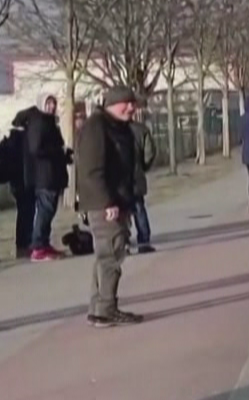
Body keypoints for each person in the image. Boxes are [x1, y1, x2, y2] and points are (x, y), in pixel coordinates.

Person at [73, 86, 145, 327]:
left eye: (133, 103)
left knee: (106, 255)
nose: (131, 108)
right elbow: (91, 171)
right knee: (111, 255)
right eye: (126, 103)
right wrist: (107, 202)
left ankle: (99, 307)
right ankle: (106, 310)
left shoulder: (117, 127)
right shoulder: (97, 127)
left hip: (118, 199)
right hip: (105, 204)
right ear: (111, 103)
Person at [24, 95, 71, 261]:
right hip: (45, 175)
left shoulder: (50, 122)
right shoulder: (39, 122)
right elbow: (36, 149)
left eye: (54, 103)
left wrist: (64, 155)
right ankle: (38, 246)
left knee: (49, 211)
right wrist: (58, 153)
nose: (52, 107)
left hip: (53, 173)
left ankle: (43, 243)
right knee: (44, 211)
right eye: (48, 103)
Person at [129, 104, 158, 253]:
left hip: (117, 179)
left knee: (121, 212)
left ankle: (123, 242)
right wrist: (143, 167)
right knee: (139, 208)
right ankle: (144, 241)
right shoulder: (141, 130)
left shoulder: (111, 130)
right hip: (135, 175)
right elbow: (150, 152)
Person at [4, 111, 30, 259]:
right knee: (26, 212)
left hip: (16, 181)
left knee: (23, 211)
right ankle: (23, 245)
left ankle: (22, 245)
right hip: (22, 180)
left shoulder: (13, 139)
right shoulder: (21, 140)